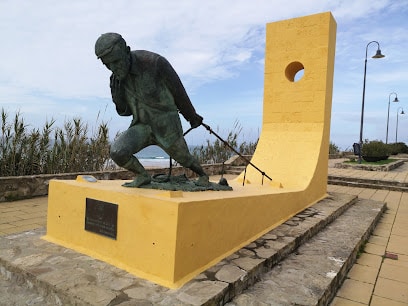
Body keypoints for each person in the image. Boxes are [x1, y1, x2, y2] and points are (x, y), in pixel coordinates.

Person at [95, 32, 209, 187]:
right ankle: (143, 176)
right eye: (108, 65)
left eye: (116, 62)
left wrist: (191, 116)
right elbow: (126, 111)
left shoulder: (154, 63)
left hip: (165, 125)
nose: (113, 68)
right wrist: (117, 98)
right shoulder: (117, 78)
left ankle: (203, 175)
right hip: (141, 126)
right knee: (118, 151)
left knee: (184, 158)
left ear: (126, 51)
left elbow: (178, 92)